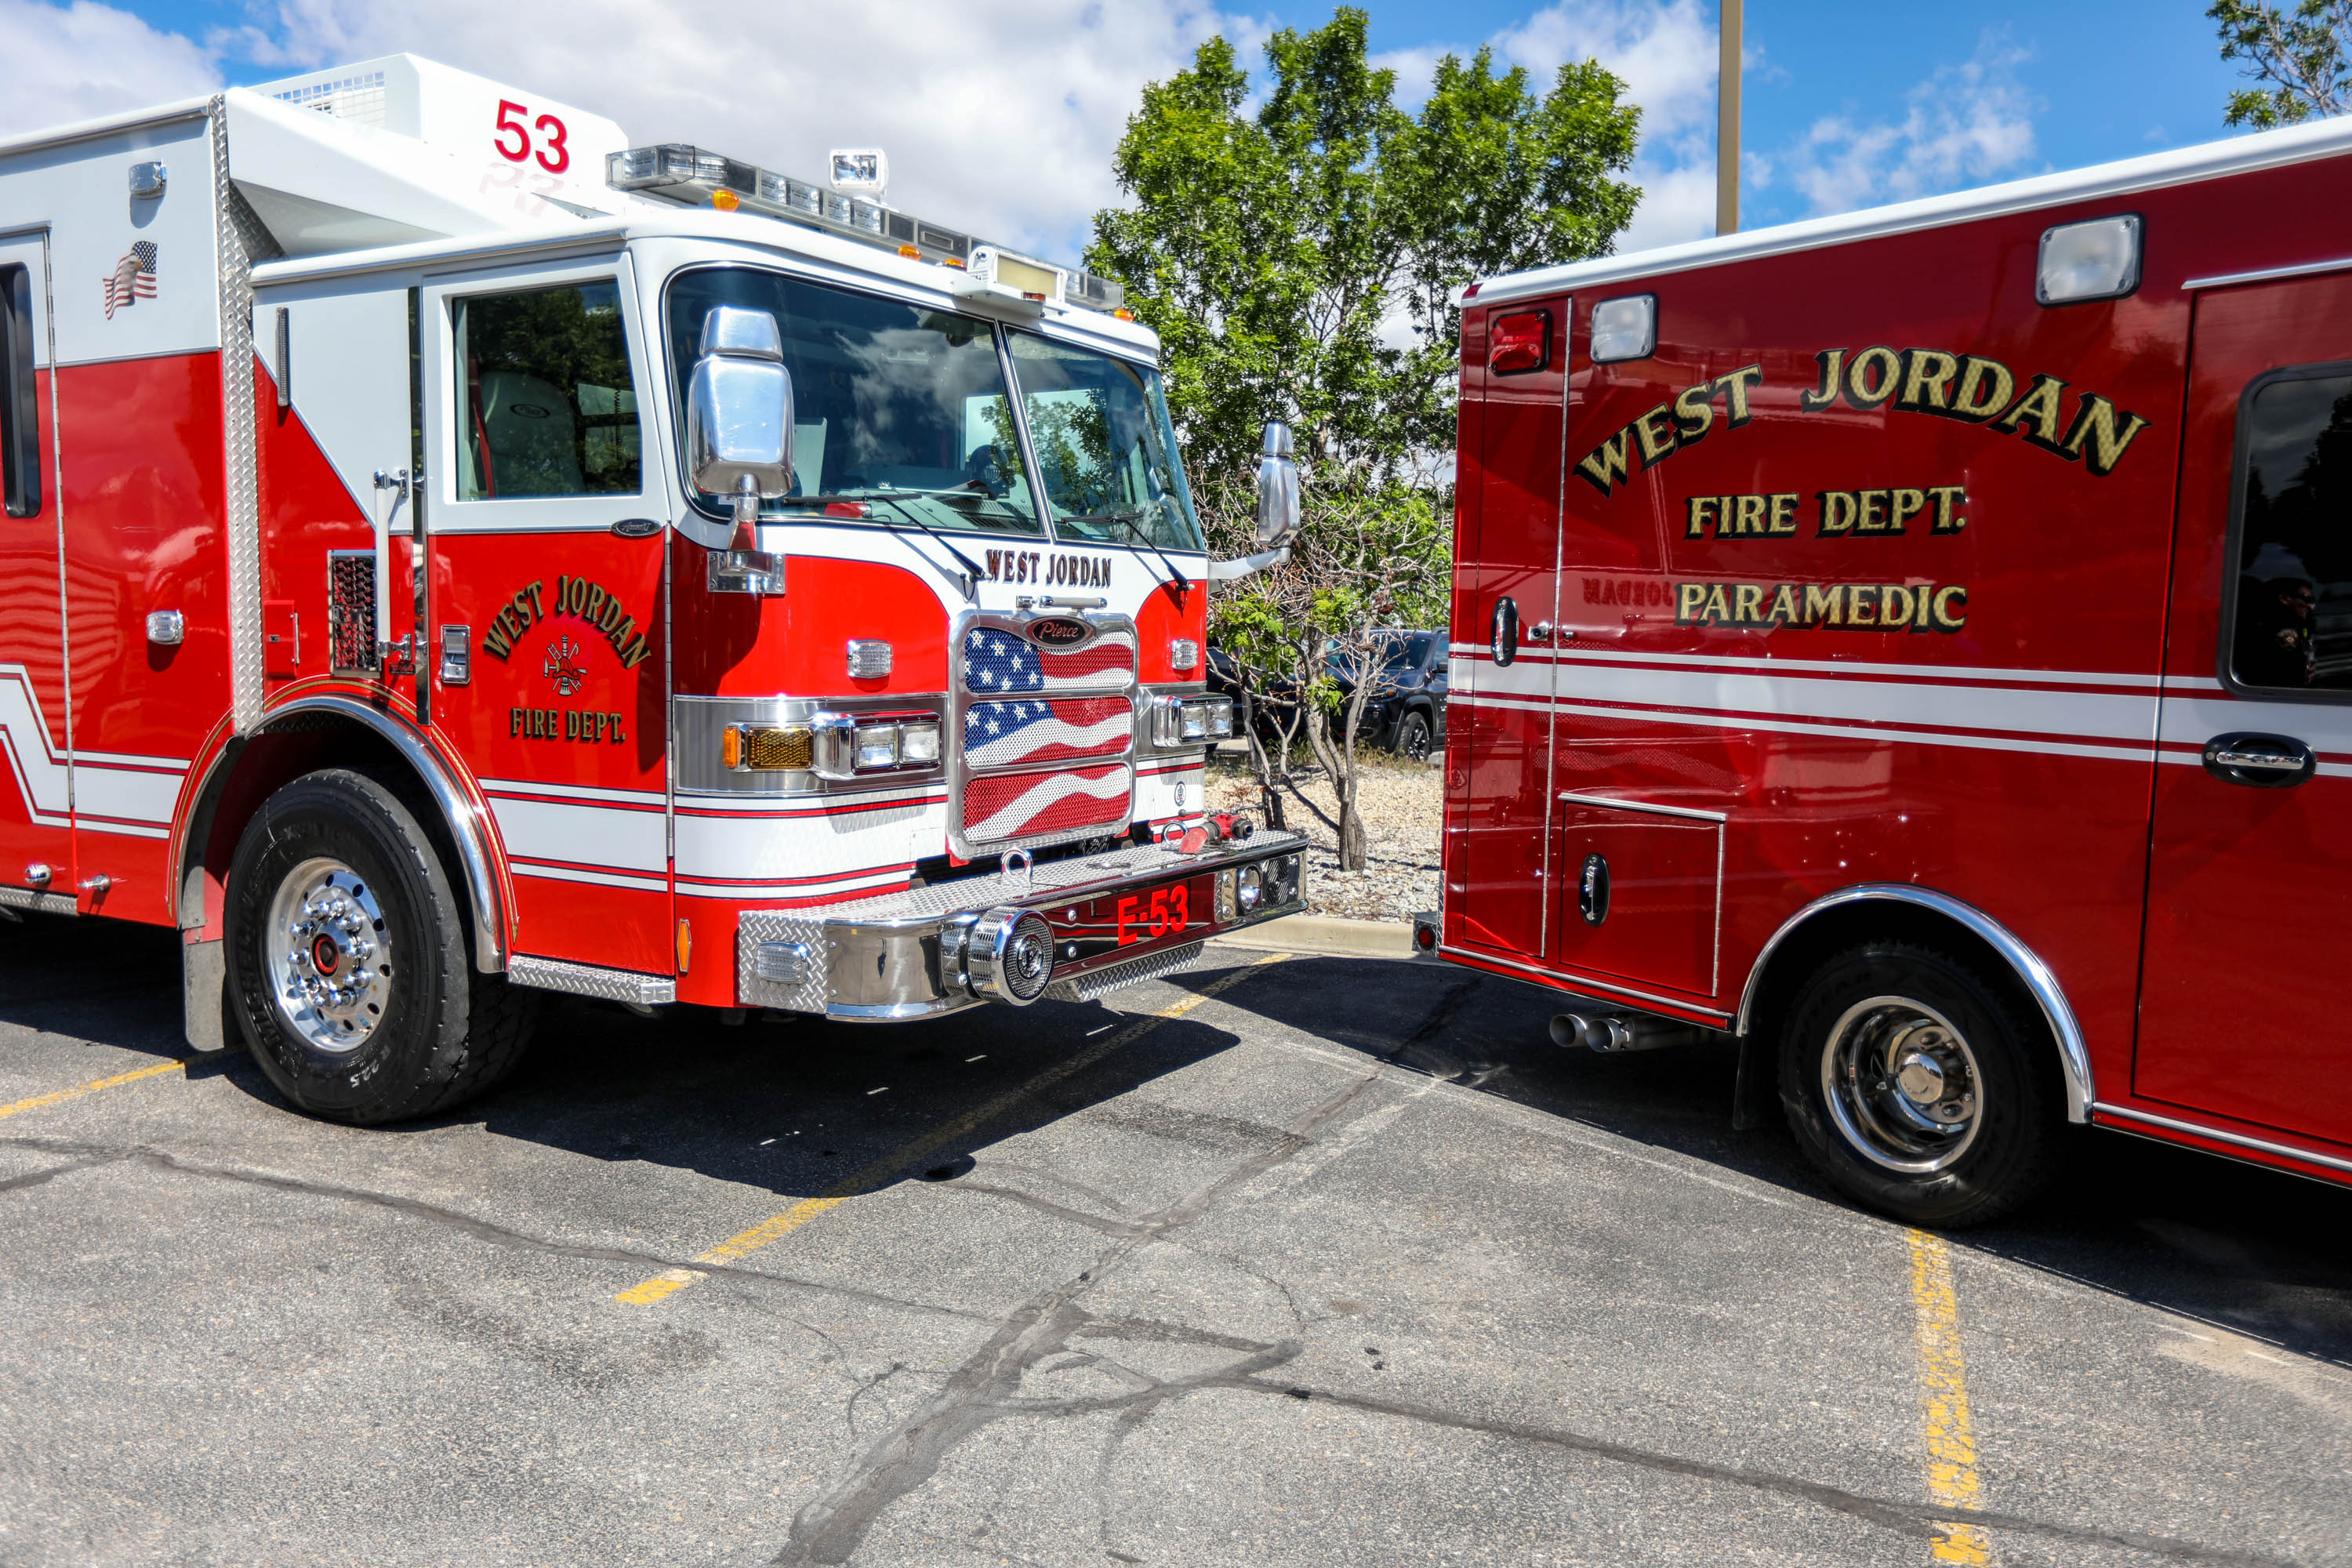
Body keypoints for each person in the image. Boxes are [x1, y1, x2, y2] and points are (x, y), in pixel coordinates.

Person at [2237, 576, 2316, 688]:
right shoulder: (2285, 627)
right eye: (2306, 599)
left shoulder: (2296, 624)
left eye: (2311, 601)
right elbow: (2289, 671)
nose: (2309, 606)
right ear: (2284, 598)